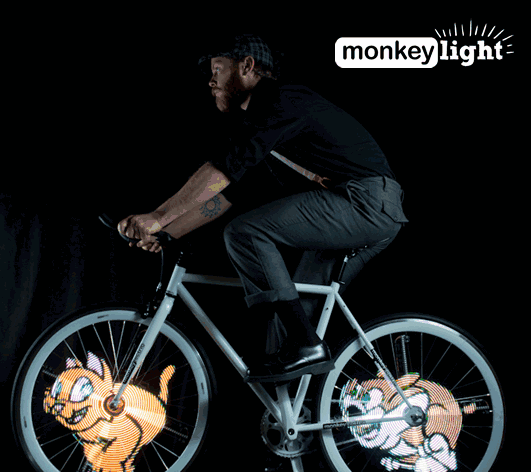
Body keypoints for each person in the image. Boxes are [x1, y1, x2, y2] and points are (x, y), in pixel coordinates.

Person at [118, 34, 408, 383]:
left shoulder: (281, 100)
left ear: (247, 67)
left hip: (364, 202)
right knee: (286, 333)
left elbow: (223, 170)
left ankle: (308, 347)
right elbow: (228, 195)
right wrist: (167, 233)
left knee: (246, 234)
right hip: (358, 208)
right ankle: (295, 407)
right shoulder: (268, 127)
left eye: (218, 69)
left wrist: (157, 216)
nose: (211, 80)